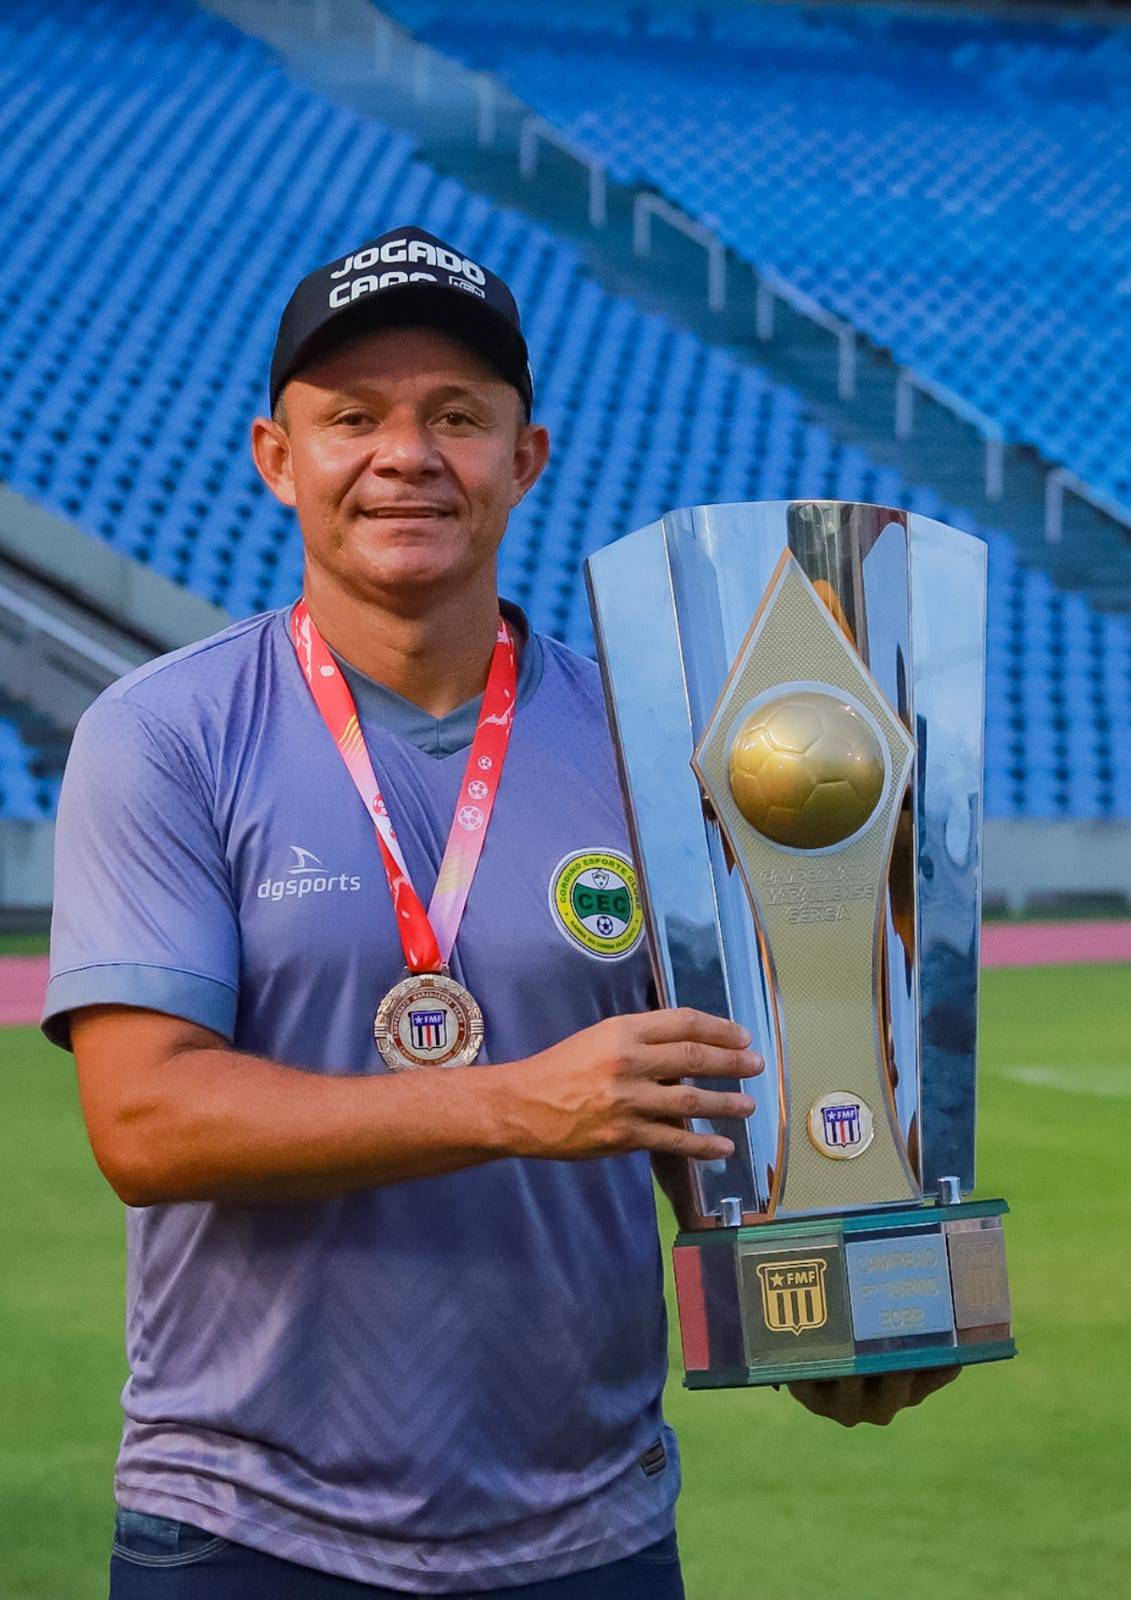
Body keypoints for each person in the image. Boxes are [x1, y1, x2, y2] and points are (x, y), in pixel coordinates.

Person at [44, 225, 953, 1600]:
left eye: (457, 417)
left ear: (525, 459)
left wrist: (827, 1315)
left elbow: (707, 1093)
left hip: (585, 1534)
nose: (407, 454)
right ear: (274, 457)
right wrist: (508, 1103)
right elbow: (148, 1122)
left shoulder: (663, 747)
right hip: (240, 1526)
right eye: (352, 417)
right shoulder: (164, 734)